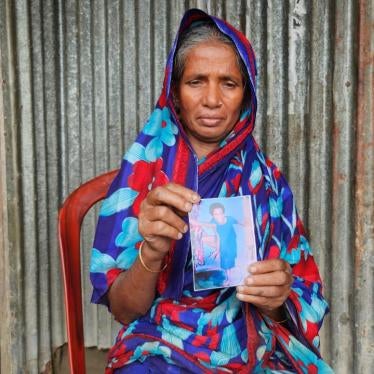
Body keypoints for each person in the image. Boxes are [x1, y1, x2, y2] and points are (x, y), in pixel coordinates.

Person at [90, 9, 333, 373]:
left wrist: (276, 301)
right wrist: (152, 253)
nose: (212, 99)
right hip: (161, 346)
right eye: (196, 81)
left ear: (247, 93)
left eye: (229, 83)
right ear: (174, 89)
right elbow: (126, 311)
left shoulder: (265, 181)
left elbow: (297, 305)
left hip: (254, 348)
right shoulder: (144, 171)